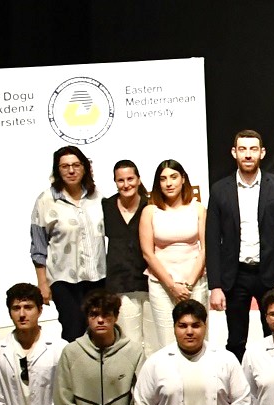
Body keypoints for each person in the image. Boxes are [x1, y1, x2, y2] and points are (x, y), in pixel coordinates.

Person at [208, 130, 274, 359]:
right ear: (234, 152)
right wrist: (215, 285)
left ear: (262, 152)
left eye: (253, 149)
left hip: (271, 275)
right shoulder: (219, 189)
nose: (248, 155)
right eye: (242, 149)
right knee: (236, 339)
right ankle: (237, 380)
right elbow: (212, 239)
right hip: (235, 275)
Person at [30, 146, 106, 341]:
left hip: (98, 277)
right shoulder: (46, 200)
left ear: (85, 167)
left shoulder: (97, 197)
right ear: (57, 170)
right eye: (65, 166)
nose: (71, 171)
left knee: (99, 329)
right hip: (63, 280)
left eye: (76, 165)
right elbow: (38, 246)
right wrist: (42, 283)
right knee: (74, 329)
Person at [139, 159, 210, 355]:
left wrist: (188, 285)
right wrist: (172, 286)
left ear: (183, 179)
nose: (169, 183)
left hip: (195, 283)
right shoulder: (150, 211)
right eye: (163, 179)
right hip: (161, 285)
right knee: (167, 344)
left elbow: (205, 249)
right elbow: (148, 253)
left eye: (173, 177)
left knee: (198, 341)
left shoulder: (198, 208)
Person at [103, 160, 151, 347]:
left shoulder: (150, 205)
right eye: (120, 180)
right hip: (120, 284)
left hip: (150, 282)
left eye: (130, 179)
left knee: (155, 342)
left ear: (138, 180)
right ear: (115, 182)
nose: (126, 184)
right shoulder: (106, 206)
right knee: (129, 342)